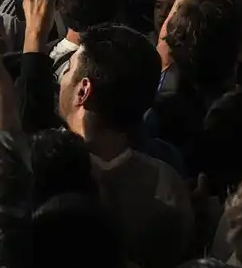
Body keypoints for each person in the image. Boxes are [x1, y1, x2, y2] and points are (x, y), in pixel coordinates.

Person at [57, 23, 192, 268]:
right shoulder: (169, 187)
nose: (61, 79)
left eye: (67, 70)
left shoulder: (42, 171)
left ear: (83, 91)